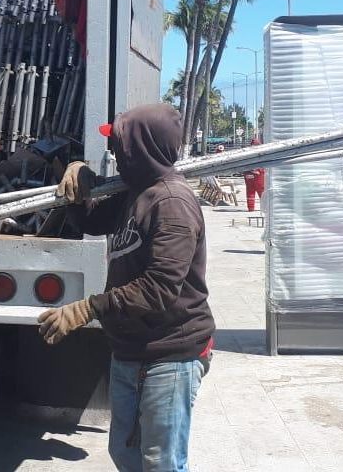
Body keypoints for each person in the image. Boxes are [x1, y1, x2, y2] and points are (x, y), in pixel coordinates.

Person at [38, 103, 214, 472]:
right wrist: (77, 178)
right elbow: (92, 221)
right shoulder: (135, 192)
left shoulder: (172, 203)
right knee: (125, 453)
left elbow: (159, 288)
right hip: (131, 350)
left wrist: (88, 308)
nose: (115, 155)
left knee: (161, 462)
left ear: (142, 147)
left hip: (170, 354)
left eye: (120, 146)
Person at [242, 138, 266, 212]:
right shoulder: (261, 153)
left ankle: (251, 208)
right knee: (261, 192)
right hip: (258, 175)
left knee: (250, 192)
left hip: (248, 174)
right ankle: (264, 207)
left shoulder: (246, 153)